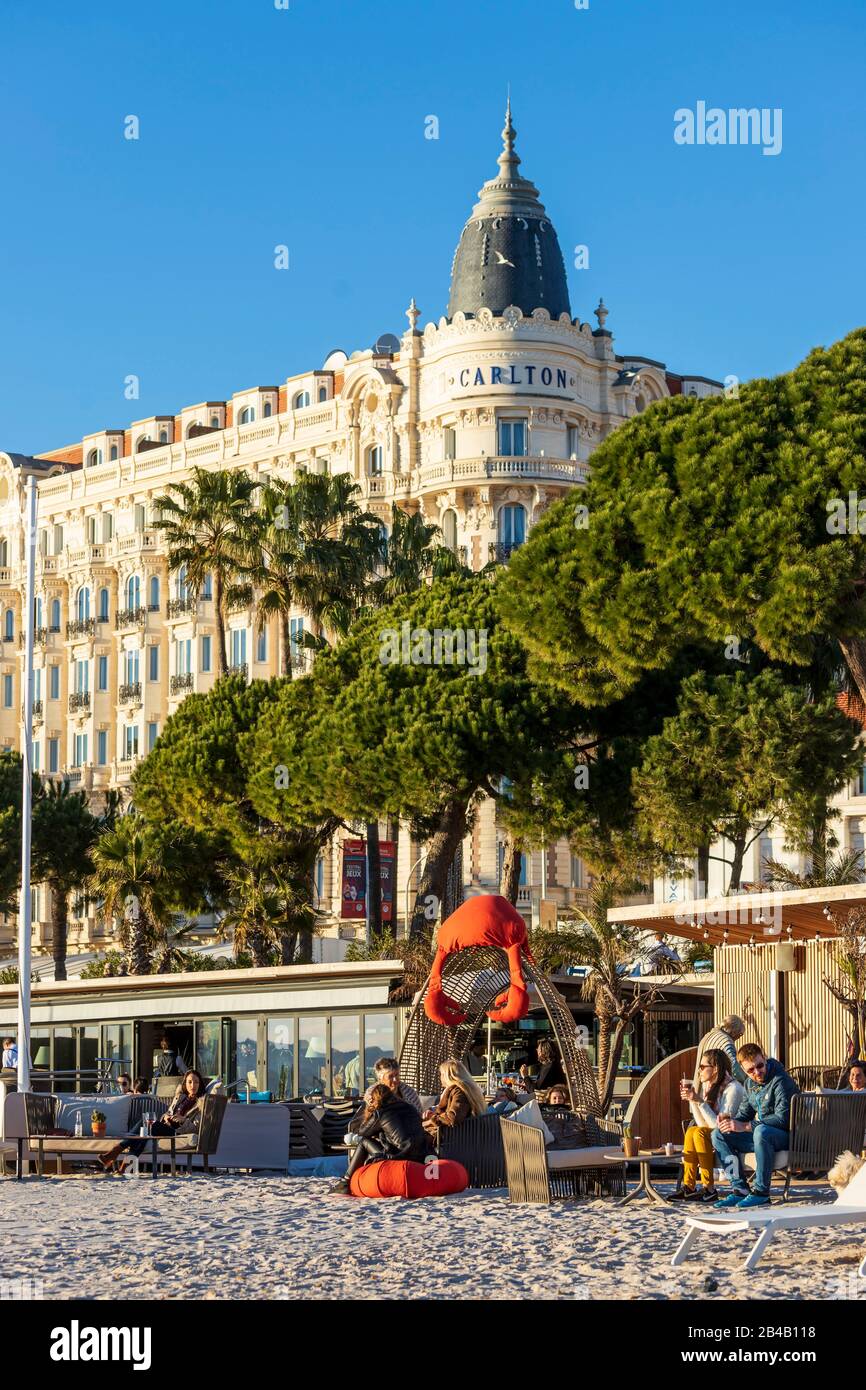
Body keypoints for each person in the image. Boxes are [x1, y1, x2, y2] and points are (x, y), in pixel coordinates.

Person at [711, 1044, 799, 1209]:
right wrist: (730, 1124)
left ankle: (761, 1193)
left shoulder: (780, 1080)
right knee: (718, 1134)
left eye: (759, 1066)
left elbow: (783, 1119)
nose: (757, 1072)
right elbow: (745, 1114)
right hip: (763, 1136)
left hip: (788, 1136)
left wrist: (745, 1126)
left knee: (760, 1131)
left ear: (764, 1058)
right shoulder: (749, 1085)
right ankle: (740, 1189)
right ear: (744, 1071)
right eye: (750, 1070)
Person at [670, 1049, 744, 1202]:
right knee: (692, 1131)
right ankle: (689, 1187)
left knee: (699, 1133)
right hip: (715, 1134)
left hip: (732, 1135)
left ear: (715, 1068)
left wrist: (699, 1102)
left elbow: (718, 1127)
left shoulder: (733, 1089)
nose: (699, 1070)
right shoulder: (710, 1087)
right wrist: (694, 1100)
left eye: (702, 1067)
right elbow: (702, 1123)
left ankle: (709, 1189)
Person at [330, 1083, 430, 1195]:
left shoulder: (381, 1111)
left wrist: (370, 1110)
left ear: (375, 1099)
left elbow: (363, 1132)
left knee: (364, 1142)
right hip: (421, 1156)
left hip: (398, 1156)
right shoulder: (410, 1108)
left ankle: (345, 1182)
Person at [101, 1069, 206, 1173]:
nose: (193, 1085)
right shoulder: (180, 1097)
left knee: (147, 1124)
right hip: (167, 1126)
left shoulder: (201, 1103)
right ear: (185, 1083)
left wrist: (183, 1120)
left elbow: (196, 1128)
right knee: (143, 1133)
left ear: (200, 1084)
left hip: (178, 1131)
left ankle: (116, 1152)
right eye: (190, 1082)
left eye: (196, 1082)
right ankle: (124, 1167)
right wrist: (166, 1117)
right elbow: (168, 1113)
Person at [422, 1059, 487, 1136]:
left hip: (457, 1138)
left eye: (441, 1074)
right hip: (463, 1134)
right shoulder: (465, 1089)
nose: (440, 1077)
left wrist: (433, 1119)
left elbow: (453, 1117)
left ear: (448, 1076)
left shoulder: (460, 1091)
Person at [352, 1057, 422, 1120]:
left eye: (397, 1075)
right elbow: (372, 1119)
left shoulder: (409, 1092)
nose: (395, 1079)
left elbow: (418, 1115)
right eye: (390, 1076)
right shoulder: (372, 1093)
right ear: (380, 1078)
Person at [693, 1014, 747, 1087]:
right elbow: (734, 1067)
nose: (739, 1037)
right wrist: (748, 1078)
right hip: (715, 1089)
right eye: (740, 1034)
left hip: (704, 1084)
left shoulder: (708, 1035)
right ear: (734, 1031)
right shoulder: (725, 1041)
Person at [540, 1084, 584, 1149]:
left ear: (564, 1100)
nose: (557, 1100)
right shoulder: (543, 1111)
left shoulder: (569, 1112)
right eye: (554, 1098)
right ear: (549, 1100)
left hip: (565, 1140)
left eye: (560, 1098)